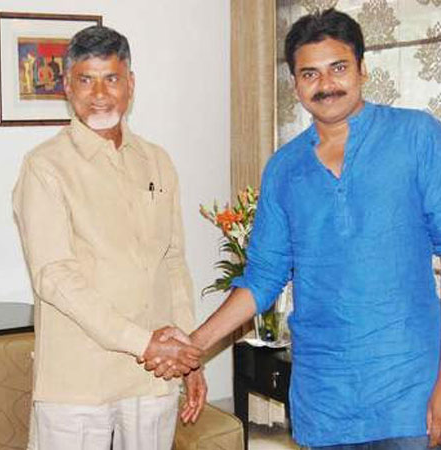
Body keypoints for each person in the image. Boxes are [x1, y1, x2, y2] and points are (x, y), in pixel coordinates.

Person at [148, 8, 441, 449]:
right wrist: (194, 344)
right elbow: (263, 278)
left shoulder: (417, 137)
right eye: (310, 74)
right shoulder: (284, 169)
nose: (326, 85)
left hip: (410, 391)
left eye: (338, 68)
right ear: (295, 84)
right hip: (323, 397)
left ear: (363, 69)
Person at [12, 25, 205, 450]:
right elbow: (55, 277)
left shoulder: (157, 161)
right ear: (67, 86)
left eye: (112, 78)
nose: (100, 93)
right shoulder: (45, 167)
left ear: (130, 84)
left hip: (154, 376)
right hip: (79, 381)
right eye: (86, 79)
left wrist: (188, 355)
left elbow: (173, 263)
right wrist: (144, 342)